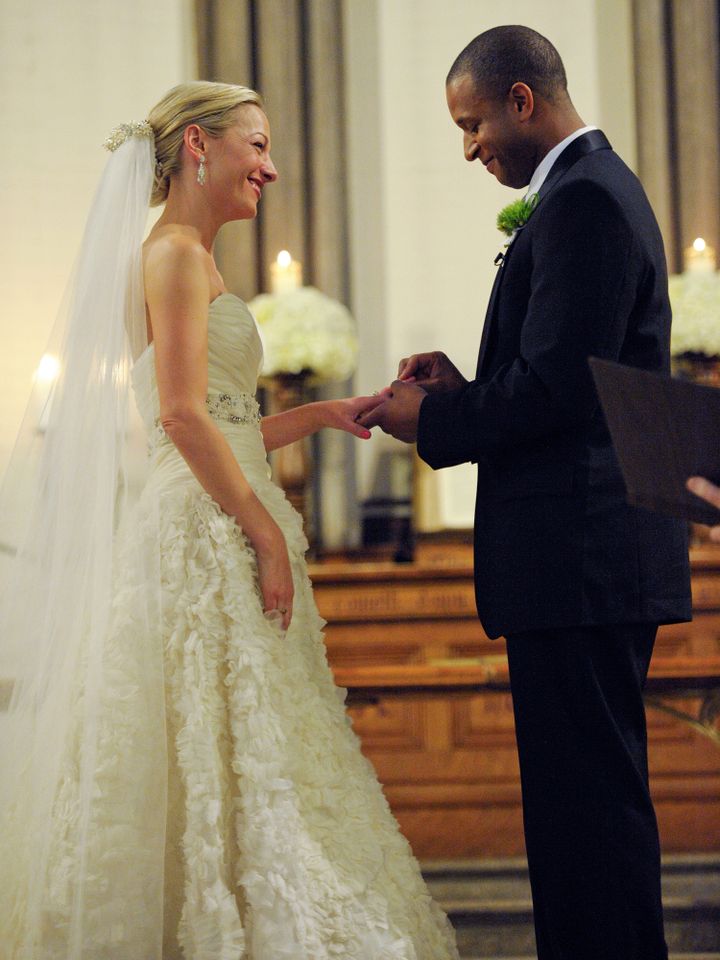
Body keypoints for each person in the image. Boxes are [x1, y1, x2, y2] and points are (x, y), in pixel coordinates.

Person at [0, 81, 459, 959]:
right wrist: (259, 529)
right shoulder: (171, 254)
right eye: (258, 146)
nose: (272, 168)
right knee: (213, 737)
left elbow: (225, 421)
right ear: (201, 146)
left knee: (248, 737)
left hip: (223, 504)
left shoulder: (194, 257)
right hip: (205, 528)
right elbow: (178, 418)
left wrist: (324, 416)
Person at [360, 25, 692, 960]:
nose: (469, 148)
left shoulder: (584, 203)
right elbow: (565, 382)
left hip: (582, 561)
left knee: (589, 818)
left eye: (472, 125)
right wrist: (464, 390)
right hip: (582, 560)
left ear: (521, 101)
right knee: (580, 811)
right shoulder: (585, 193)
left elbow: (556, 394)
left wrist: (433, 423)